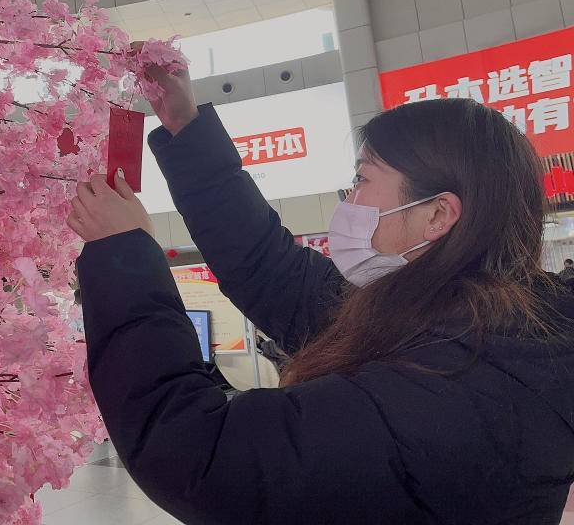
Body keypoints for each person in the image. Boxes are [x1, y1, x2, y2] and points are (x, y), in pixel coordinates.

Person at [68, 62, 574, 525]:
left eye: (361, 179)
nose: (348, 199)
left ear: (437, 214)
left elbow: (199, 454)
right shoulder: (455, 322)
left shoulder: (457, 384)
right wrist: (186, 126)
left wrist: (124, 259)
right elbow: (273, 271)